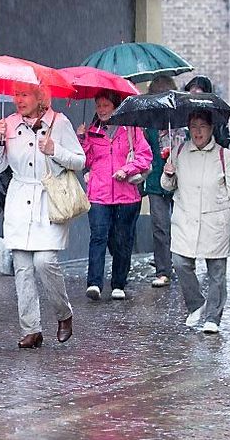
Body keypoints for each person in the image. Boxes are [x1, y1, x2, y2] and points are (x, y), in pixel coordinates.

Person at [0, 85, 85, 348]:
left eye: (24, 95)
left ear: (40, 97)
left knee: (45, 262)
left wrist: (55, 150)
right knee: (22, 268)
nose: (18, 100)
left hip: (48, 200)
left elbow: (80, 160)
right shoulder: (8, 124)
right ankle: (31, 329)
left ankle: (64, 314)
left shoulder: (60, 122)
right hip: (20, 200)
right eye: (16, 95)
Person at [162, 110, 230, 334]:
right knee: (180, 263)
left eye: (202, 126)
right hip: (186, 218)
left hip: (215, 219)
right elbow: (167, 186)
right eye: (193, 126)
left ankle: (213, 317)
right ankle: (196, 304)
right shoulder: (179, 151)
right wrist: (168, 173)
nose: (198, 131)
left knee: (217, 272)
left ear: (211, 128)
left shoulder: (224, 156)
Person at [77, 90, 152, 301]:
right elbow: (86, 161)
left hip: (126, 195)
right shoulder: (93, 131)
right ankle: (94, 283)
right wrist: (82, 139)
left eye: (105, 106)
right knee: (98, 237)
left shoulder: (131, 130)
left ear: (115, 107)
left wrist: (126, 169)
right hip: (99, 194)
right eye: (98, 106)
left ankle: (119, 283)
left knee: (122, 240)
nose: (101, 110)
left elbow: (145, 157)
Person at [142, 76, 179, 288]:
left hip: (179, 180)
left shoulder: (179, 120)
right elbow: (145, 151)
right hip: (156, 181)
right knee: (160, 225)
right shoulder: (148, 122)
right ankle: (163, 269)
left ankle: (180, 262)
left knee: (179, 224)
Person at [183, 75, 230, 148]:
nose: (195, 91)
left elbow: (223, 139)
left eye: (198, 88)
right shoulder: (183, 111)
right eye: (192, 87)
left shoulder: (216, 113)